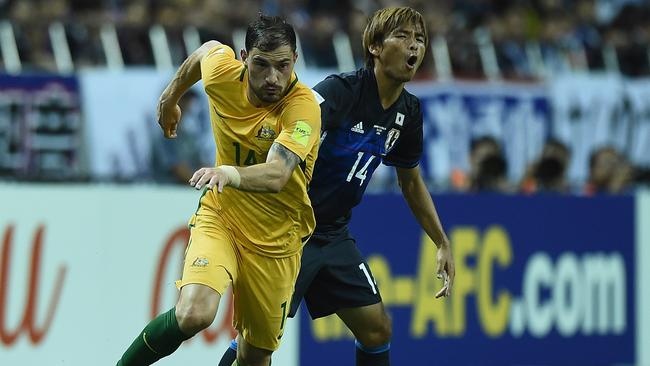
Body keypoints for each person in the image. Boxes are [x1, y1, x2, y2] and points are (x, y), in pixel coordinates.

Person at [219, 7, 455, 366]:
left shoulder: (409, 112)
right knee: (256, 347)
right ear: (375, 47)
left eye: (419, 39)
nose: (414, 47)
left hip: (332, 233)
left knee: (377, 329)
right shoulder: (338, 92)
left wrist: (441, 241)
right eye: (403, 37)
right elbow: (290, 125)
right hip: (288, 232)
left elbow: (410, 181)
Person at [116, 14, 321, 366]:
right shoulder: (223, 74)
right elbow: (205, 52)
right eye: (261, 65)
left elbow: (277, 174)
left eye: (283, 66)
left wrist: (229, 173)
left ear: (295, 62)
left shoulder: (302, 109)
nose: (273, 78)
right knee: (194, 313)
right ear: (244, 58)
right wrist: (170, 97)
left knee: (254, 356)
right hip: (222, 218)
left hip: (276, 242)